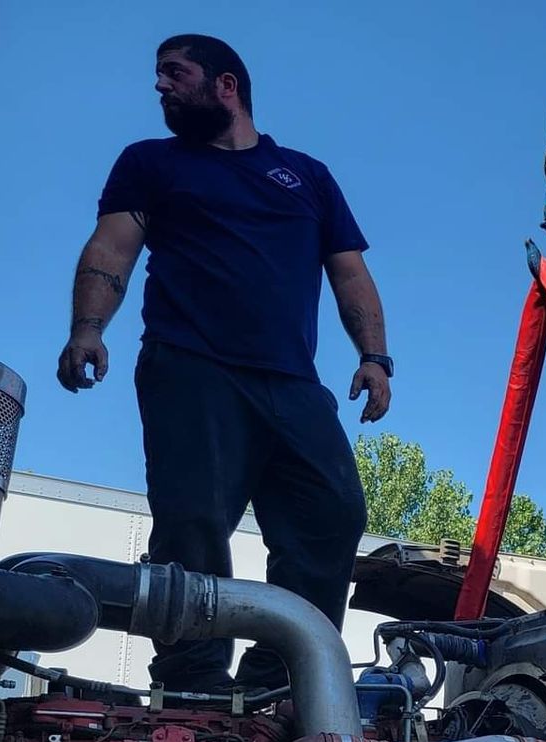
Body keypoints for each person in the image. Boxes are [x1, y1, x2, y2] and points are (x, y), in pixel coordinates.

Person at [56, 35, 391, 693]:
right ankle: (192, 683)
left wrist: (375, 358)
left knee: (333, 515)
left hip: (292, 382)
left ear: (226, 85)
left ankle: (278, 677)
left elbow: (349, 273)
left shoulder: (307, 176)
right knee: (194, 523)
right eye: (159, 76)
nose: (161, 87)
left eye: (175, 74)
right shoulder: (151, 163)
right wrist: (88, 328)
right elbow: (112, 246)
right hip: (191, 366)